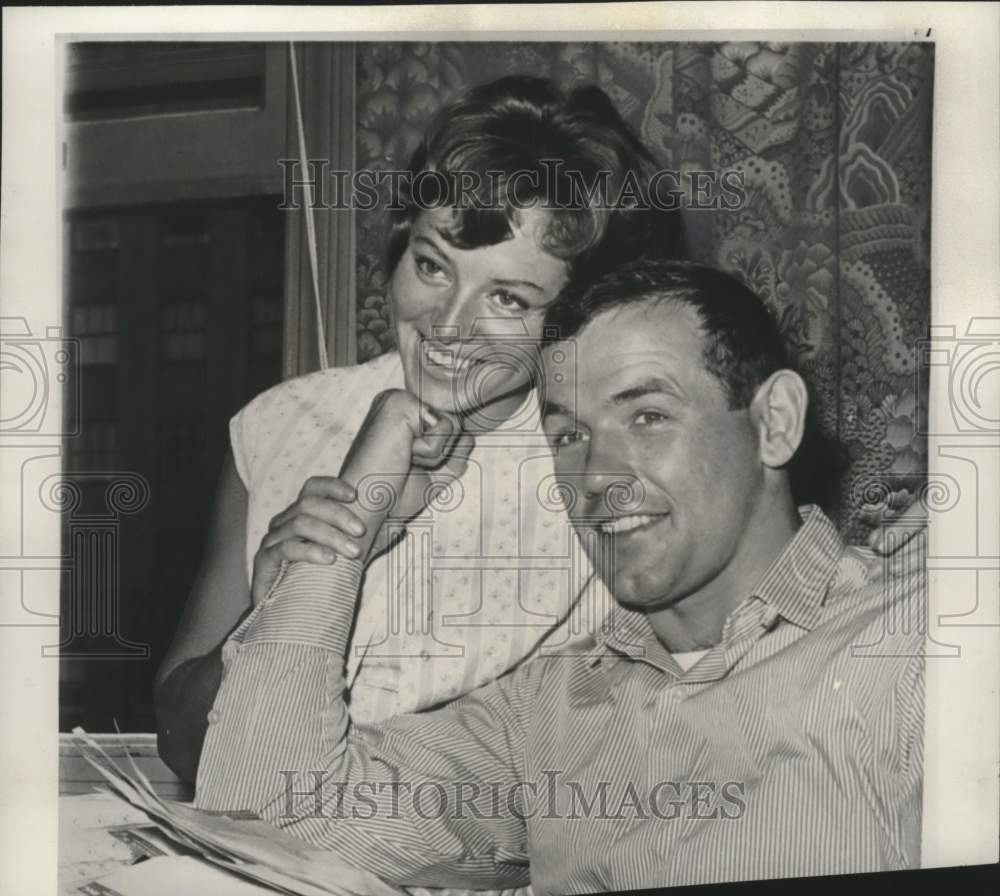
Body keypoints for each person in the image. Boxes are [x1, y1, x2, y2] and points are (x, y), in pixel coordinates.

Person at [194, 259, 926, 892]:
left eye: (646, 416)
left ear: (775, 422)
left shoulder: (913, 652)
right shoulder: (546, 713)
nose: (598, 477)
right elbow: (269, 815)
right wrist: (350, 532)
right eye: (569, 435)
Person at [154, 75, 686, 785]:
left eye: (506, 296)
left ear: (572, 318)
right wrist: (278, 604)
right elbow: (180, 743)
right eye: (433, 265)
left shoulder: (606, 474)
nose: (447, 325)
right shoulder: (279, 425)